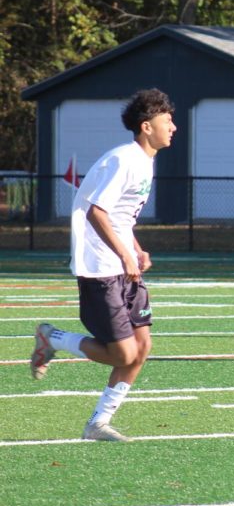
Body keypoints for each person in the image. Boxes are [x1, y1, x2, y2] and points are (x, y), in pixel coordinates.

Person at [30, 88, 177, 441]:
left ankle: (97, 423)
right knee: (122, 353)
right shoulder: (124, 159)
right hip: (101, 266)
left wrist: (136, 249)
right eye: (167, 120)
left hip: (124, 264)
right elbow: (97, 211)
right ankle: (52, 338)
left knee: (142, 349)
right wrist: (125, 254)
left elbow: (122, 217)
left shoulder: (144, 160)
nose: (173, 126)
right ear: (146, 126)